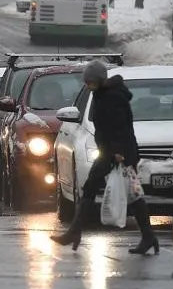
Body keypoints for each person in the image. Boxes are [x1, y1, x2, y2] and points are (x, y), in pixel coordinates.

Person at [51, 59, 158, 255]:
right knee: (93, 188)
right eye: (87, 82)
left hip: (120, 153)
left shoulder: (113, 97)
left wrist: (119, 152)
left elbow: (120, 126)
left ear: (100, 80)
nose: (89, 86)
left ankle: (148, 236)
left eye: (91, 82)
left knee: (132, 193)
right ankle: (75, 232)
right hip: (110, 151)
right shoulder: (102, 94)